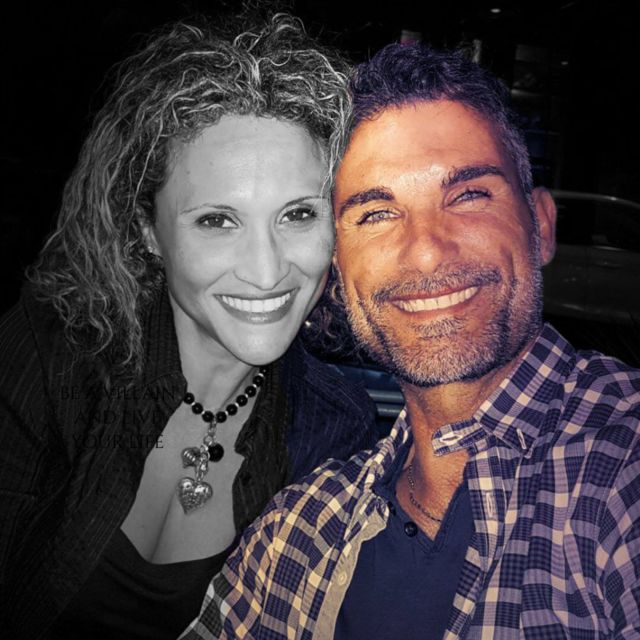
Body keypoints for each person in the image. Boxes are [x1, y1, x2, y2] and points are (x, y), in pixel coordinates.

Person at [182, 42, 640, 639]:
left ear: (542, 226)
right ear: (337, 269)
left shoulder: (621, 466)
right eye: (376, 214)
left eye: (468, 195)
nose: (426, 251)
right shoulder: (295, 535)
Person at [0, 14, 379, 640]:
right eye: (216, 221)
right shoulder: (52, 357)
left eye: (298, 214)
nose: (266, 271)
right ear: (149, 231)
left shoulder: (337, 429)